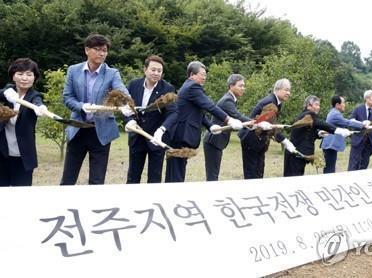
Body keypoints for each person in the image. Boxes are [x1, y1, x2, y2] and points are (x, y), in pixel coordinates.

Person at [60, 34, 131, 185]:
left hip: (101, 131)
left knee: (97, 180)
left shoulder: (112, 73)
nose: (101, 53)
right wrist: (81, 106)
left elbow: (122, 91)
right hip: (78, 128)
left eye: (104, 50)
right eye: (97, 49)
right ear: (87, 50)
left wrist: (126, 104)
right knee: (68, 178)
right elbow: (67, 97)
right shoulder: (74, 71)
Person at [164, 61, 243, 182]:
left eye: (205, 75)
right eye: (202, 74)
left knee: (176, 169)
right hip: (181, 134)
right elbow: (209, 106)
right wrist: (229, 119)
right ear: (192, 74)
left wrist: (210, 126)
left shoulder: (188, 86)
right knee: (177, 171)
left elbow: (197, 112)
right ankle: (173, 197)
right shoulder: (192, 87)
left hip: (178, 134)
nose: (204, 77)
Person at [123, 55, 176, 183]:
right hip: (137, 138)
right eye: (153, 70)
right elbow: (125, 107)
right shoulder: (133, 85)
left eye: (159, 71)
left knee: (154, 177)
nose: (156, 73)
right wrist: (129, 120)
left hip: (156, 139)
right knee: (133, 176)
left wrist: (161, 130)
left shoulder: (167, 89)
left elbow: (173, 113)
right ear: (145, 69)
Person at [0, 58, 48, 186]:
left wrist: (41, 107)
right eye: (20, 74)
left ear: (34, 77)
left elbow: (37, 101)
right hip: (2, 153)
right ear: (13, 76)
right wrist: (5, 92)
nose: (24, 78)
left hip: (23, 156)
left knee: (21, 195)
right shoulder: (8, 92)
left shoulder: (34, 96)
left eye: (29, 74)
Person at [238, 78, 296, 179]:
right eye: (286, 90)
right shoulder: (270, 102)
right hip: (251, 138)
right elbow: (271, 127)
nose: (288, 93)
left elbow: (270, 125)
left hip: (259, 139)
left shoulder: (277, 102)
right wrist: (285, 140)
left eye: (289, 90)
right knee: (252, 173)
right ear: (277, 89)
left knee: (259, 171)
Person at [283, 95, 351, 177]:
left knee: (295, 178)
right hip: (295, 153)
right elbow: (320, 123)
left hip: (297, 154)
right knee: (292, 179)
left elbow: (307, 131)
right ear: (309, 105)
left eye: (319, 105)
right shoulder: (309, 115)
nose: (318, 107)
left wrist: (318, 133)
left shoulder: (304, 115)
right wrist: (337, 130)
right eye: (316, 105)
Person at [203, 74, 252, 181]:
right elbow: (238, 117)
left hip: (216, 141)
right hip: (213, 141)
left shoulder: (230, 99)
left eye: (244, 86)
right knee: (212, 175)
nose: (243, 88)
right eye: (240, 86)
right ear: (231, 86)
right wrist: (256, 122)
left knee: (213, 174)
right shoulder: (227, 101)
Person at [320, 95, 366, 173]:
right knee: (329, 169)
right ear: (337, 105)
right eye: (343, 103)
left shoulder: (334, 112)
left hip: (330, 144)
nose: (344, 105)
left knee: (330, 167)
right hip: (330, 145)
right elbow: (347, 122)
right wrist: (362, 124)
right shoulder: (335, 114)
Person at [347, 90, 372, 171]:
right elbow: (351, 121)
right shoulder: (358, 109)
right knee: (354, 163)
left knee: (364, 163)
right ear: (367, 99)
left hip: (370, 141)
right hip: (358, 139)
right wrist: (362, 123)